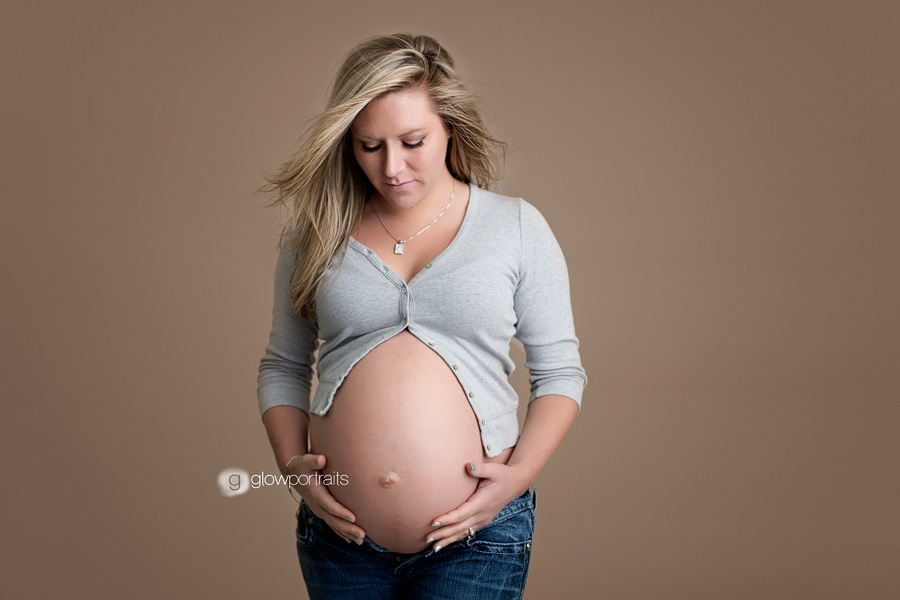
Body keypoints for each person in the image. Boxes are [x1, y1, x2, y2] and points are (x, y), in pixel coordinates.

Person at [256, 33, 587, 600]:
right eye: (369, 146)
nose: (392, 167)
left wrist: (516, 479)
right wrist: (294, 469)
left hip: (476, 540)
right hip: (340, 542)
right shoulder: (315, 235)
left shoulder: (515, 228)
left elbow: (560, 372)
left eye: (413, 141)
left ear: (450, 127)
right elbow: (282, 366)